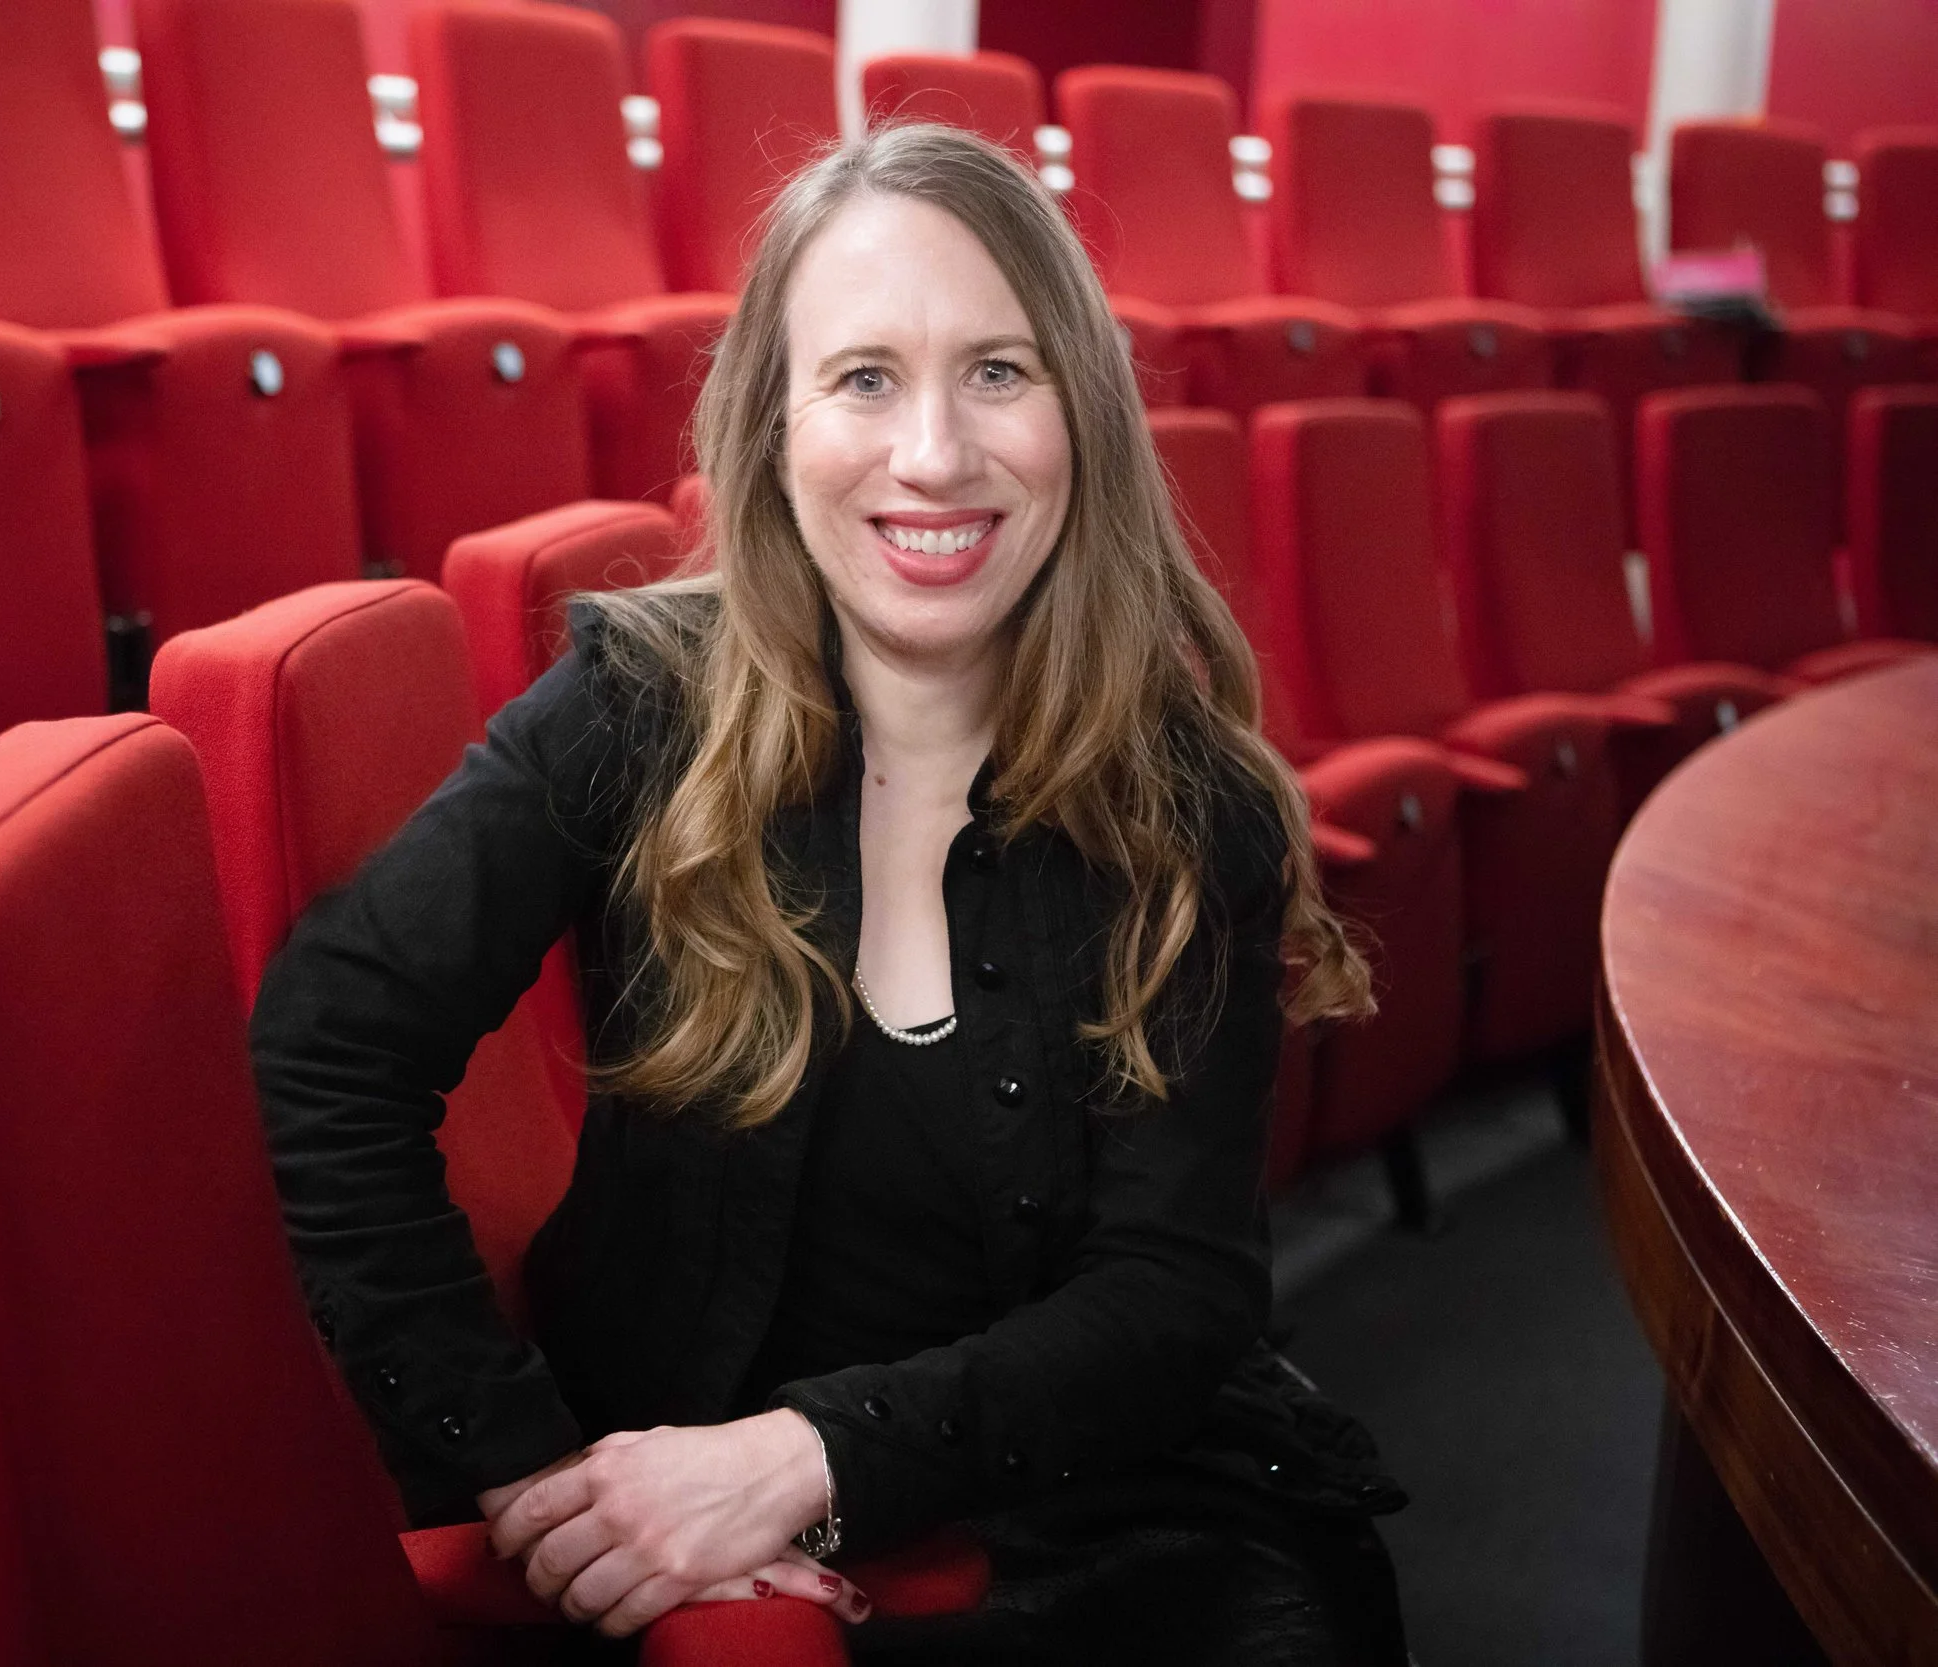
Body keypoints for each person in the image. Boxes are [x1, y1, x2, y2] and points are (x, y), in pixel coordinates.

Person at [251, 123, 1407, 1662]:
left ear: (1086, 415)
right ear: (774, 427)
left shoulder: (1187, 804)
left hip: (1105, 1507)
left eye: (1000, 371)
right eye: (864, 377)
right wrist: (521, 1470)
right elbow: (329, 1044)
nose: (933, 453)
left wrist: (801, 1458)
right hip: (692, 1511)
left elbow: (1173, 1295)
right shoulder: (640, 704)